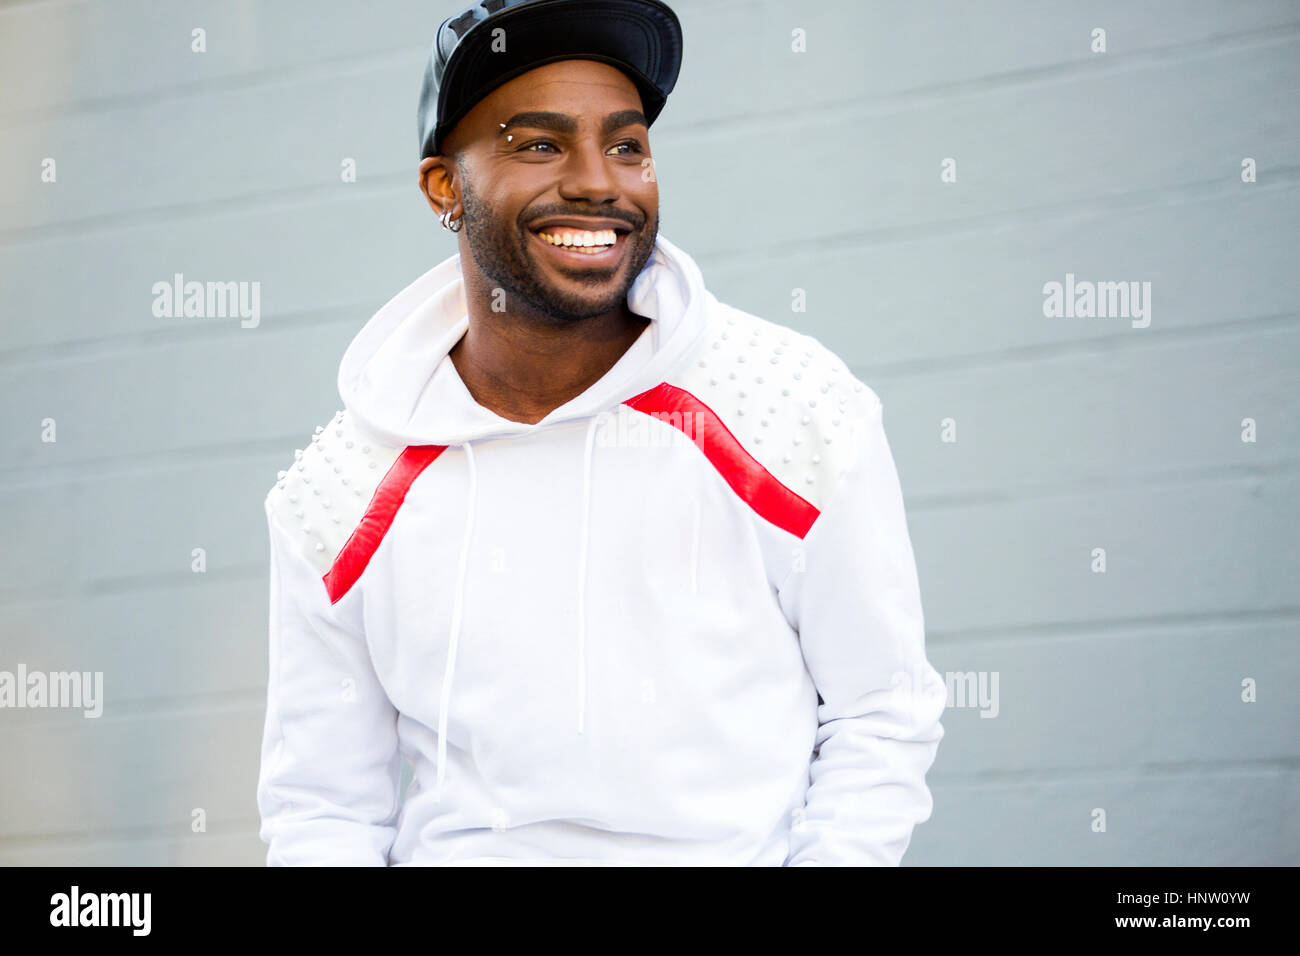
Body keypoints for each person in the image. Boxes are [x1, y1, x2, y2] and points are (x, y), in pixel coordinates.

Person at [256, 0, 946, 867]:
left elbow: (882, 710)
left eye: (627, 146)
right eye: (539, 144)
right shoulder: (339, 491)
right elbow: (322, 809)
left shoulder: (791, 406)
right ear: (444, 187)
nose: (599, 182)